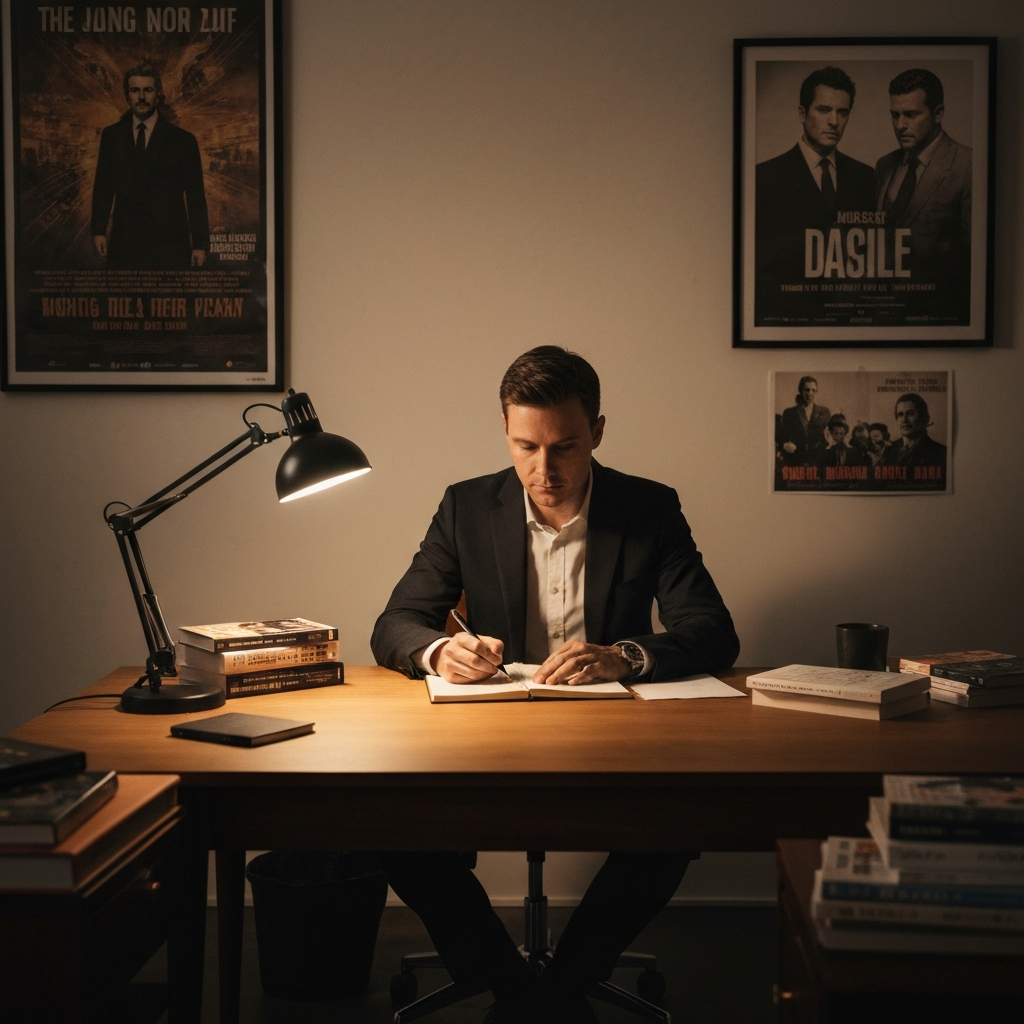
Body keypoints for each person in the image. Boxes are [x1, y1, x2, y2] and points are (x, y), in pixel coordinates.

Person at [371, 346, 739, 1023]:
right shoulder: (466, 507)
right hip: (488, 735)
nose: (545, 470)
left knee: (679, 821)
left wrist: (626, 655)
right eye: (526, 447)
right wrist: (439, 650)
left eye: (565, 446)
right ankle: (520, 992)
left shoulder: (649, 507)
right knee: (390, 822)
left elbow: (713, 631)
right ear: (505, 432)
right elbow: (395, 622)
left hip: (612, 736)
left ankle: (562, 985)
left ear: (597, 430)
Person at [755, 66, 875, 317]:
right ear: (802, 113)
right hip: (787, 323)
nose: (834, 121)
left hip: (850, 323)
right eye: (823, 110)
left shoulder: (865, 177)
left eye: (842, 112)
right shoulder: (764, 178)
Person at [91, 62, 209, 270]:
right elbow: (104, 186)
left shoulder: (183, 140)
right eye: (135, 90)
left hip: (170, 246)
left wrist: (200, 244)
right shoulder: (112, 136)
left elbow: (195, 196)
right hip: (124, 244)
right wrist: (98, 230)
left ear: (159, 94)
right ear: (127, 95)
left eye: (148, 90)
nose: (142, 97)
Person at [874, 69, 971, 315]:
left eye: (911, 114)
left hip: (940, 315)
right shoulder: (884, 165)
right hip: (884, 313)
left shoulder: (968, 165)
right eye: (894, 115)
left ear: (938, 113)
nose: (900, 125)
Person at [881, 393, 947, 468]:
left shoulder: (940, 453)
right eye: (900, 414)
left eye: (911, 414)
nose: (904, 420)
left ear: (923, 418)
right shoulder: (889, 450)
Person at [777, 376, 831, 466]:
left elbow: (829, 435)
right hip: (795, 461)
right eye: (807, 390)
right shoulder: (789, 413)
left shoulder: (824, 412)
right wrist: (785, 444)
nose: (810, 393)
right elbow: (782, 435)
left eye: (813, 390)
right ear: (801, 391)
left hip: (818, 461)